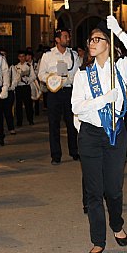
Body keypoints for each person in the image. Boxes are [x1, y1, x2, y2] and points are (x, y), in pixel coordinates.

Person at [71, 15, 127, 253]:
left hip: (114, 133)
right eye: (90, 39)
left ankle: (117, 224)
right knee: (94, 190)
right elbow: (77, 107)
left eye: (97, 39)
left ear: (107, 43)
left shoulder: (120, 68)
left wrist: (120, 32)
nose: (91, 43)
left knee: (113, 189)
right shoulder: (83, 75)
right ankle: (98, 239)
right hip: (91, 135)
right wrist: (104, 99)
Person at [38, 29, 81, 164]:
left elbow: (80, 73)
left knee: (72, 124)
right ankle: (56, 155)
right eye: (65, 36)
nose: (68, 39)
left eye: (68, 36)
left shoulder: (73, 55)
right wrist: (51, 79)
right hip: (54, 93)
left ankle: (74, 151)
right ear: (57, 39)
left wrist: (72, 79)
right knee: (54, 124)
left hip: (69, 92)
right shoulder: (48, 56)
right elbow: (41, 74)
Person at [14, 50, 37, 127]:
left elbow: (33, 76)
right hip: (19, 87)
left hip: (26, 87)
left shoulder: (29, 66)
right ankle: (19, 121)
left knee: (28, 104)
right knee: (18, 105)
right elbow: (14, 78)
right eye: (20, 56)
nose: (22, 58)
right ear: (18, 57)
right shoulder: (15, 67)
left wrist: (27, 80)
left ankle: (30, 120)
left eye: (23, 56)